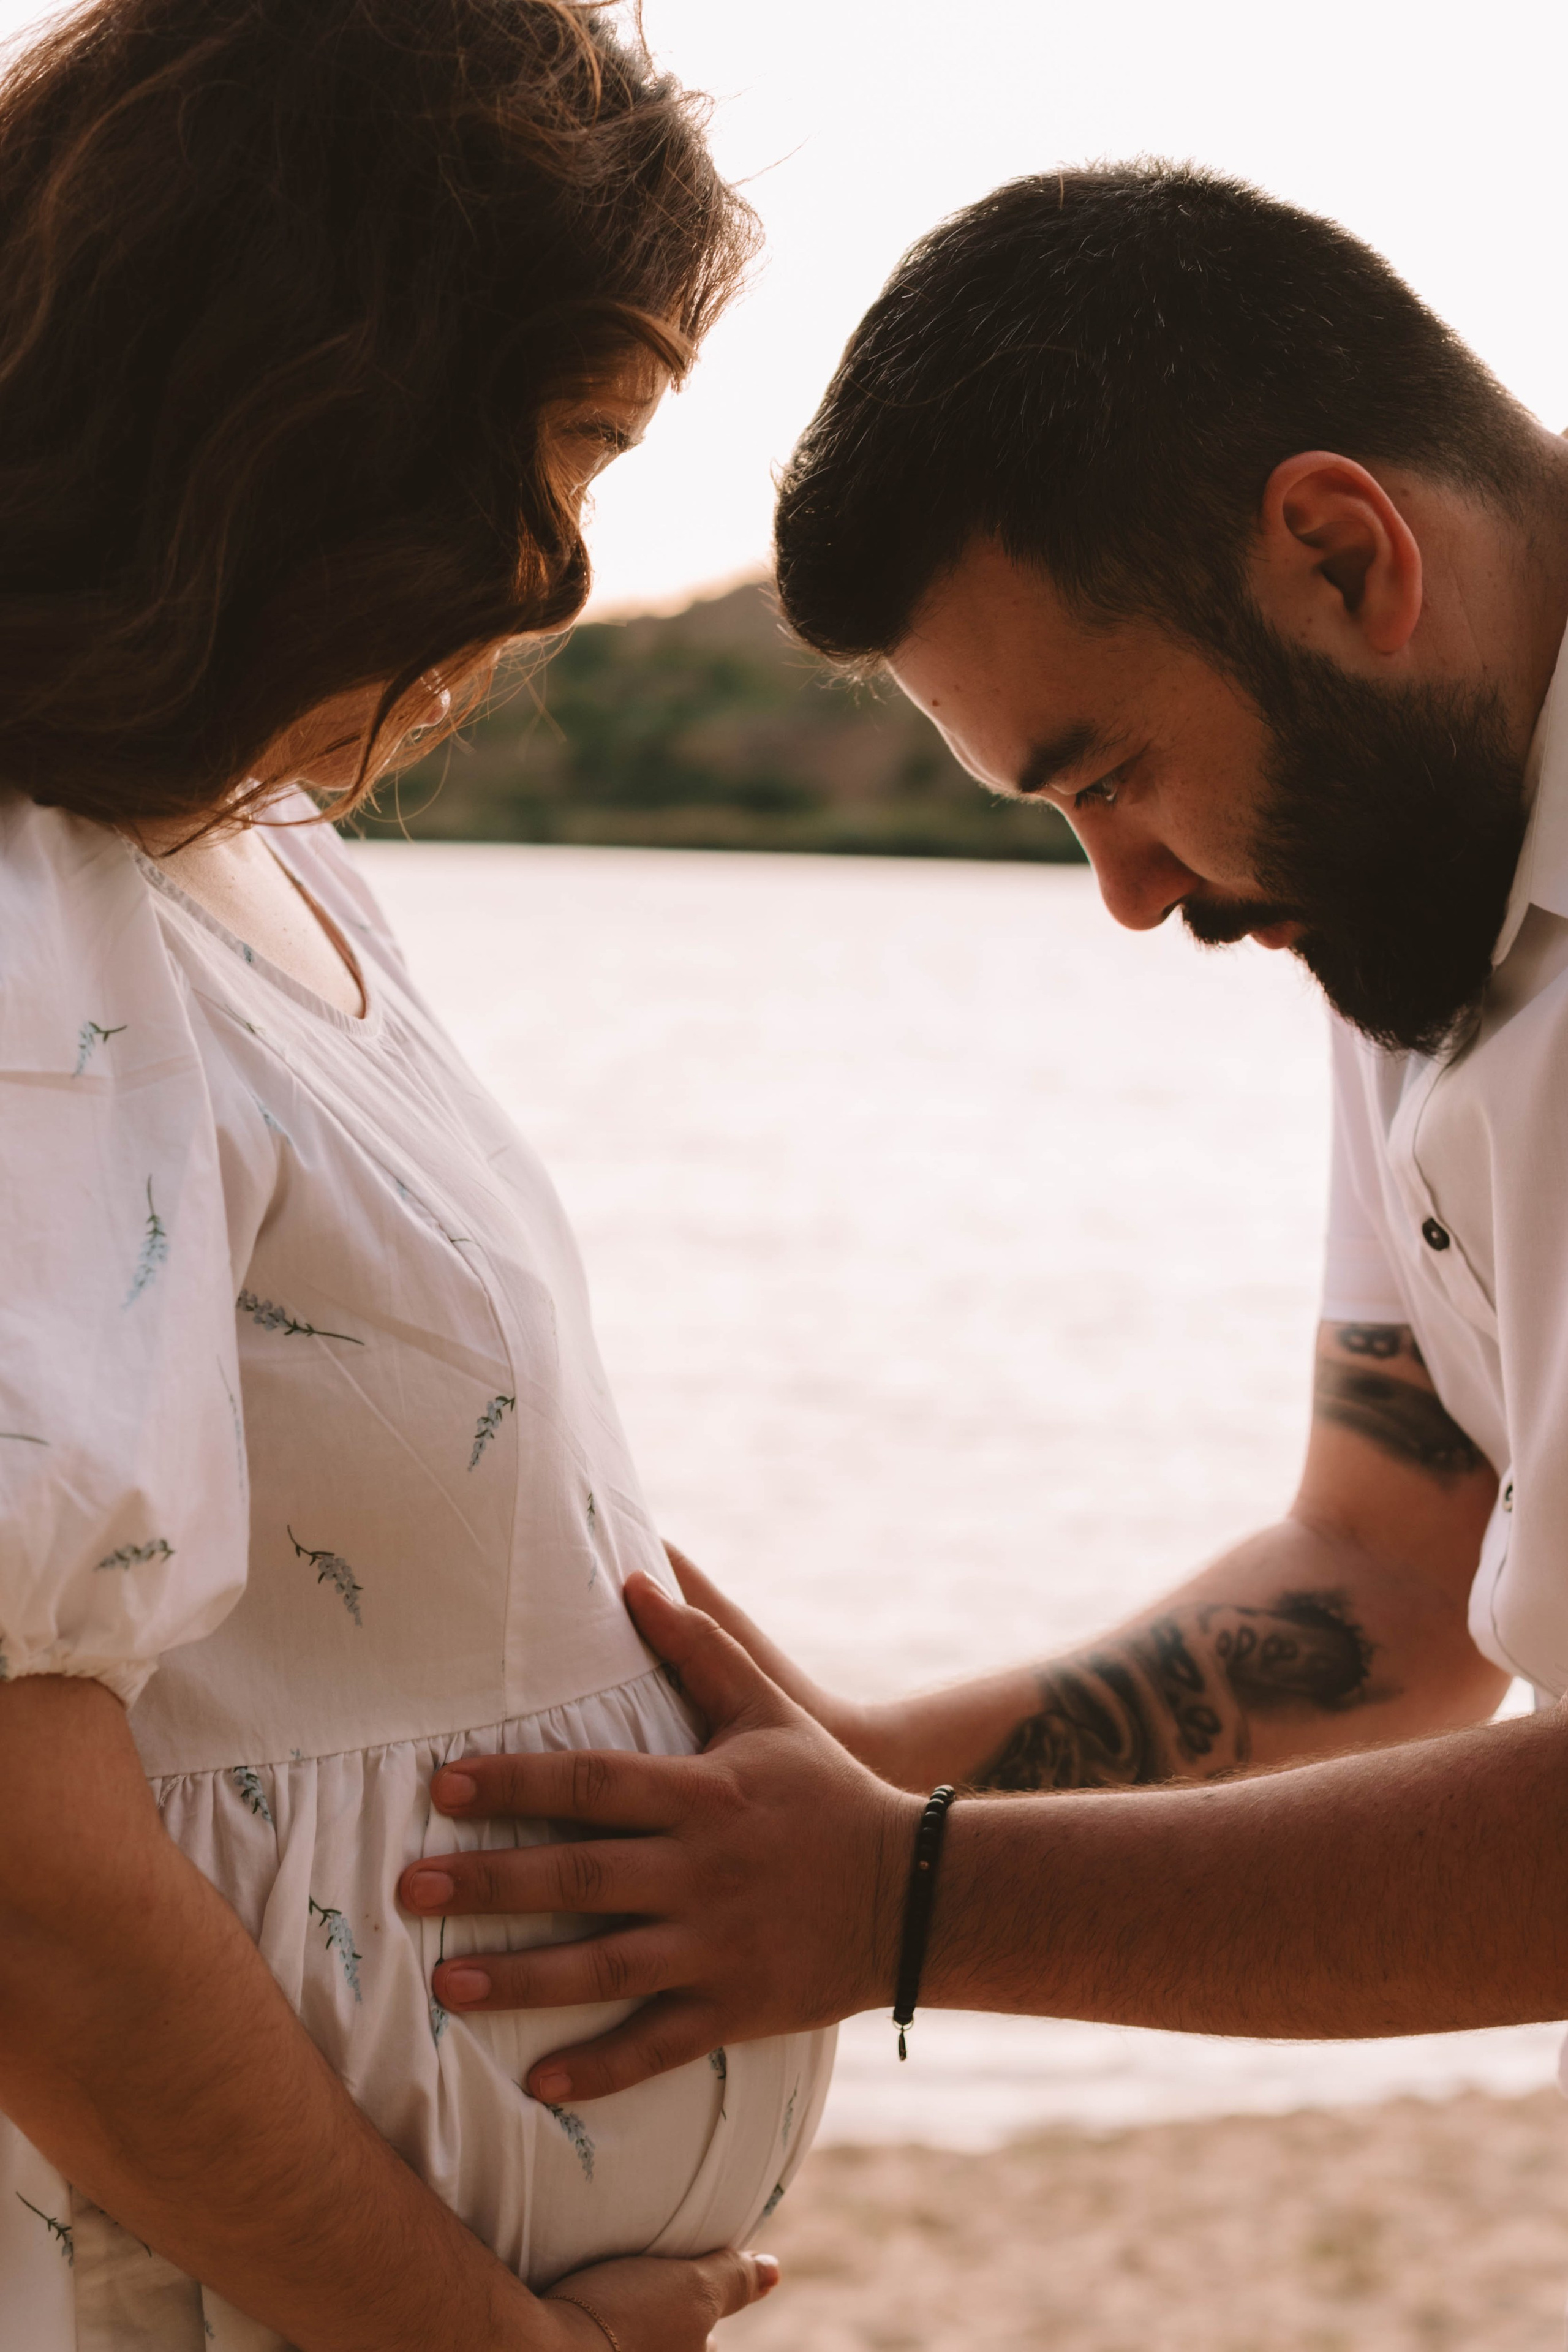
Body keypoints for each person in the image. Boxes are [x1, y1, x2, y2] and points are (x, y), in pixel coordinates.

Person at [399, 165, 1568, 2132]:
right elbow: (1389, 1579)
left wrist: (900, 1899)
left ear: (1342, 557)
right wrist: (848, 1773)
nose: (1128, 893)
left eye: (1110, 774)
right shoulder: (1420, 866)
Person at [0, 3, 827, 2346]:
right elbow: (18, 1867)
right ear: (327, 380)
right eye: (571, 441)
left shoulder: (270, 860)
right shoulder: (17, 902)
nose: (564, 571)